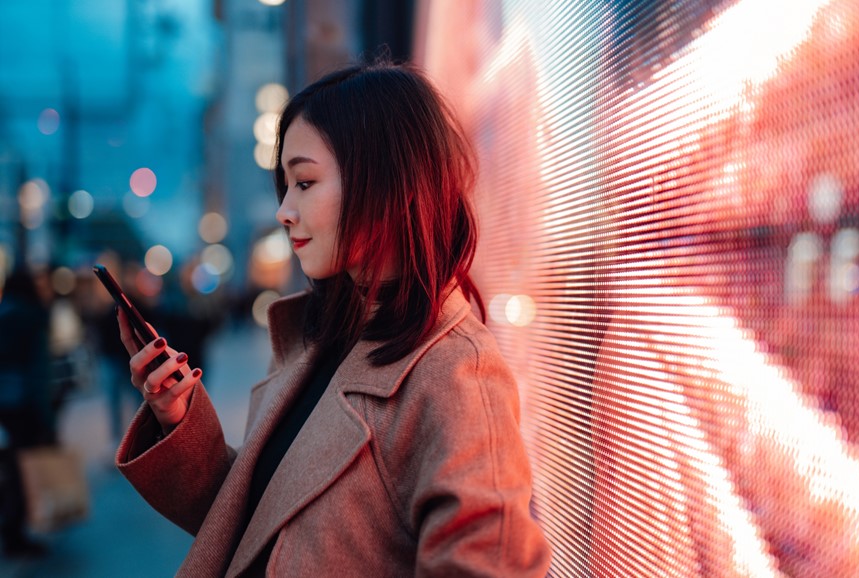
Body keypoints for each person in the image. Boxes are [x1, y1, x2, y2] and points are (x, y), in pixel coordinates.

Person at [113, 60, 552, 576]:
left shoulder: (457, 373)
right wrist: (178, 415)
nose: (284, 209)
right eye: (286, 185)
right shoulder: (323, 339)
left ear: (386, 180)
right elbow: (256, 529)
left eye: (304, 182)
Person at [0, 265, 55, 558]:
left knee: (8, 466)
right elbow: (38, 373)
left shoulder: (3, 312)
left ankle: (9, 527)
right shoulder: (33, 317)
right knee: (22, 469)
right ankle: (16, 535)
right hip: (23, 405)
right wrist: (46, 420)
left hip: (4, 403)